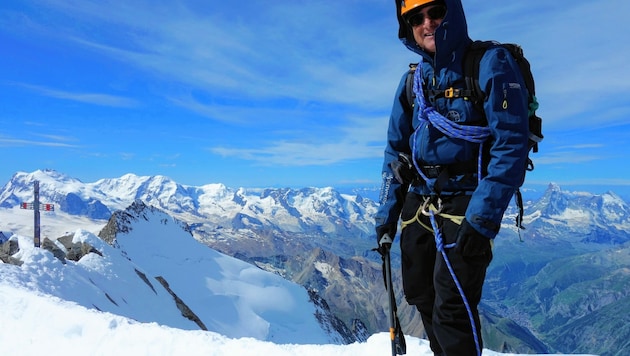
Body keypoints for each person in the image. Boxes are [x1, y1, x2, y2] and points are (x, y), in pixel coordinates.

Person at [375, 0, 530, 355]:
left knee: (453, 308)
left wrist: (482, 220)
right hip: (419, 199)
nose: (427, 23)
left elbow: (511, 144)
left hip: (467, 202)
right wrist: (385, 217)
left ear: (453, 12)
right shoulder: (413, 81)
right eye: (415, 18)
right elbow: (395, 152)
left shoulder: (489, 64)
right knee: (420, 294)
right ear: (407, 27)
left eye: (435, 11)